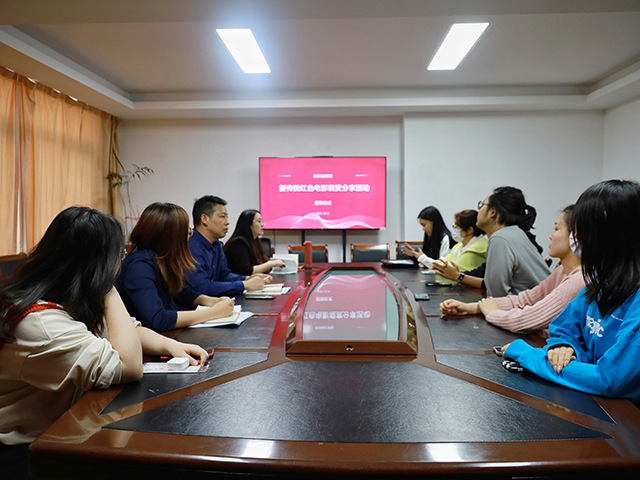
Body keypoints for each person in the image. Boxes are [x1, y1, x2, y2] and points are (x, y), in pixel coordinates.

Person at [0, 207, 208, 476]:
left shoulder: (68, 293)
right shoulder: (38, 322)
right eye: (118, 256)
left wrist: (171, 345)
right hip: (25, 450)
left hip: (63, 426)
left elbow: (126, 331)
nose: (121, 263)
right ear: (99, 263)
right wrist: (108, 285)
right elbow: (129, 365)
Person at [502, 180, 640, 402]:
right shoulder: (603, 279)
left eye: (582, 228)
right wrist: (566, 346)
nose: (579, 238)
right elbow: (563, 326)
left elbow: (609, 379)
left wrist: (525, 353)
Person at [440, 205, 584, 335]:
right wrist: (474, 307)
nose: (550, 236)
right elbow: (526, 299)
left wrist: (492, 312)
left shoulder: (578, 280)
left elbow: (529, 319)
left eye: (556, 229)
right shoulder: (562, 271)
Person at [117, 203, 235, 331]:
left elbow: (183, 292)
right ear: (171, 237)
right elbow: (157, 319)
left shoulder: (163, 259)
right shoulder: (139, 267)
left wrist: (211, 301)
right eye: (187, 233)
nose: (189, 238)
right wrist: (213, 313)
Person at [437, 187, 550, 296]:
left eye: (482, 205)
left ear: (493, 212)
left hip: (533, 307)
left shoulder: (500, 239)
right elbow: (491, 286)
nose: (478, 210)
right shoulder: (515, 233)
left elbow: (497, 296)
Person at [187, 196, 271, 296]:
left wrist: (247, 278)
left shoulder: (216, 244)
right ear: (204, 219)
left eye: (227, 217)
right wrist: (244, 285)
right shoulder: (190, 246)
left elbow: (224, 275)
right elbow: (202, 287)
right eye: (222, 217)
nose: (227, 222)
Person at [224, 209, 285, 276]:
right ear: (248, 224)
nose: (262, 225)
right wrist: (272, 263)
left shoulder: (255, 241)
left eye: (262, 222)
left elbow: (262, 263)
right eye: (259, 221)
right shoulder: (238, 243)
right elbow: (247, 271)